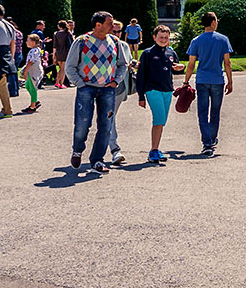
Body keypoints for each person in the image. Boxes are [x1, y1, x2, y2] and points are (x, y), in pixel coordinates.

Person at [64, 12, 126, 172]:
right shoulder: (82, 41)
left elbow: (122, 64)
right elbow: (69, 67)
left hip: (107, 89)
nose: (113, 27)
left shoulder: (115, 42)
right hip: (87, 87)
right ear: (98, 25)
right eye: (109, 24)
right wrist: (80, 84)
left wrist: (115, 81)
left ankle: (97, 160)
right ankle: (77, 150)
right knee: (83, 123)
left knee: (106, 125)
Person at [182, 11, 233, 156]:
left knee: (202, 112)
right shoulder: (223, 39)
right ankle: (212, 137)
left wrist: (186, 81)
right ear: (213, 22)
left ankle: (207, 142)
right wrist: (230, 81)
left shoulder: (196, 41)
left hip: (202, 80)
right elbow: (227, 63)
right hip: (217, 80)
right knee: (215, 112)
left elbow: (191, 64)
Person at [135, 24, 178, 163]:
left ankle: (156, 148)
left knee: (162, 121)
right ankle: (153, 150)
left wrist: (180, 68)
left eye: (166, 37)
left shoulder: (171, 52)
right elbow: (141, 75)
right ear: (154, 37)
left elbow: (175, 68)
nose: (164, 39)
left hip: (167, 90)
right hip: (153, 90)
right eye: (161, 37)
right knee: (158, 119)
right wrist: (141, 96)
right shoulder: (147, 53)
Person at [19, 34, 47, 113]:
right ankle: (34, 101)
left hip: (33, 72)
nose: (26, 42)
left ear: (33, 42)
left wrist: (25, 72)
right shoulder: (37, 49)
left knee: (32, 88)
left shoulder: (33, 51)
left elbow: (30, 62)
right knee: (28, 86)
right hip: (34, 71)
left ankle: (32, 106)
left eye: (28, 41)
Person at [51, 20, 73, 88]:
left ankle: (57, 82)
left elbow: (54, 45)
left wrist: (54, 55)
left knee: (60, 68)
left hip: (58, 52)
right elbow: (72, 43)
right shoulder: (68, 33)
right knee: (63, 69)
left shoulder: (56, 34)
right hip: (65, 52)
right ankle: (61, 83)